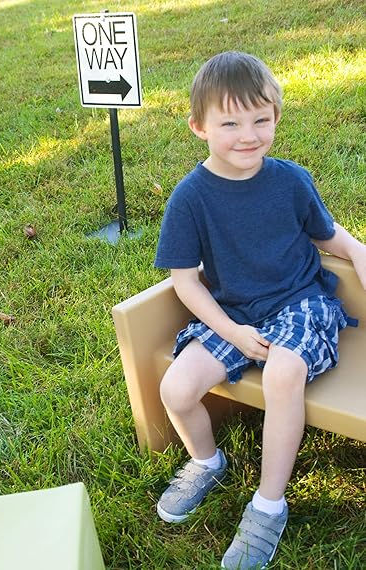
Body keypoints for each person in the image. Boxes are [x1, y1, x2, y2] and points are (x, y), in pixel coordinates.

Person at [154, 51, 366, 569]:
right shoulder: (189, 198)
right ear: (198, 127)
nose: (248, 135)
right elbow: (185, 282)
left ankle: (269, 504)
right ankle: (206, 461)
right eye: (230, 122)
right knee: (176, 389)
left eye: (260, 120)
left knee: (284, 372)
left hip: (300, 304)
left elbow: (328, 236)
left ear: (275, 118)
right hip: (232, 311)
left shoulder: (291, 180)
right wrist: (233, 330)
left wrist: (358, 252)